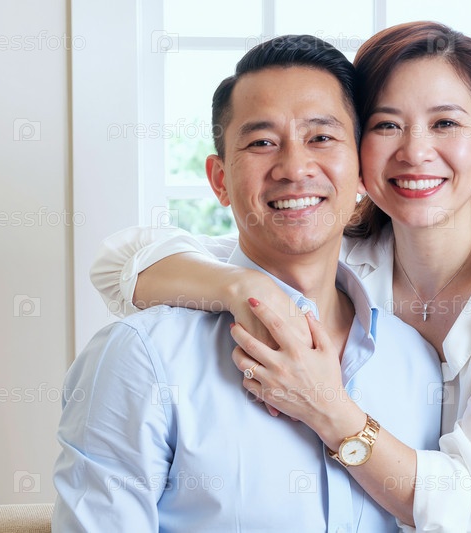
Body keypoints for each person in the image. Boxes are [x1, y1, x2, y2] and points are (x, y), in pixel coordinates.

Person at [91, 22, 471, 533]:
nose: (415, 152)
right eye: (388, 125)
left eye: (445, 123)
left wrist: (326, 405)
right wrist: (244, 288)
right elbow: (121, 265)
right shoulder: (350, 252)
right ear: (360, 150)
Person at [53, 34, 443, 532]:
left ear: (363, 171)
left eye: (321, 138)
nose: (295, 168)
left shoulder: (418, 363)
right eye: (262, 142)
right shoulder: (143, 358)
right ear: (219, 180)